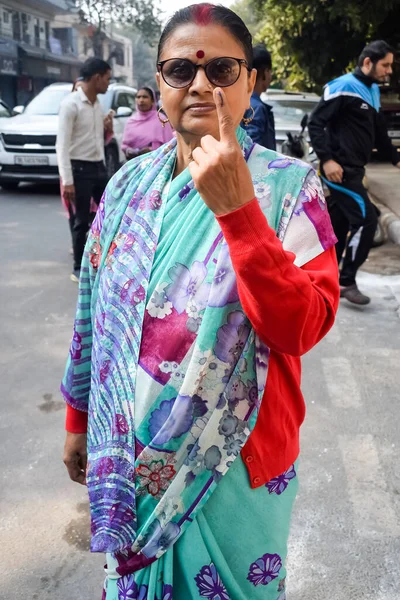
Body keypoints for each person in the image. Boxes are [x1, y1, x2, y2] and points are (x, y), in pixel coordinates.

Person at [61, 5, 339, 599]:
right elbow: (94, 314)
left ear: (250, 83)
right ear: (160, 85)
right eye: (181, 70)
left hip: (234, 466)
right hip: (130, 453)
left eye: (223, 69)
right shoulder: (126, 188)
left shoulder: (291, 188)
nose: (203, 86)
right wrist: (78, 419)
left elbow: (302, 327)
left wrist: (240, 212)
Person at [309, 40, 400, 305]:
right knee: (367, 220)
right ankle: (346, 280)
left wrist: (396, 159)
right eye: (386, 65)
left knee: (338, 225)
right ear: (368, 62)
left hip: (355, 170)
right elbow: (316, 123)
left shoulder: (371, 91)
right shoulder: (342, 86)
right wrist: (327, 160)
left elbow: (380, 134)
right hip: (339, 171)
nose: (389, 71)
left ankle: (324, 277)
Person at [56, 58, 112, 283]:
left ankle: (107, 256)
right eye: (107, 79)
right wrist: (67, 180)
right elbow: (61, 144)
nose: (108, 84)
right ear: (97, 77)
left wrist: (106, 125)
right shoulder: (71, 104)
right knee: (80, 220)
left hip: (98, 167)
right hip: (79, 170)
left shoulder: (97, 104)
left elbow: (96, 139)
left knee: (110, 212)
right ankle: (78, 267)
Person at [121, 86, 174, 159]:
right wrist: (132, 151)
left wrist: (152, 150)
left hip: (157, 163)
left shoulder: (161, 119)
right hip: (135, 164)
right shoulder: (131, 121)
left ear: (153, 101)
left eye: (145, 97)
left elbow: (170, 145)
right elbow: (124, 146)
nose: (141, 100)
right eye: (138, 97)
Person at [243, 43, 276, 150]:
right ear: (265, 73)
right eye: (270, 72)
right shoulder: (257, 108)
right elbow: (253, 148)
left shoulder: (241, 101)